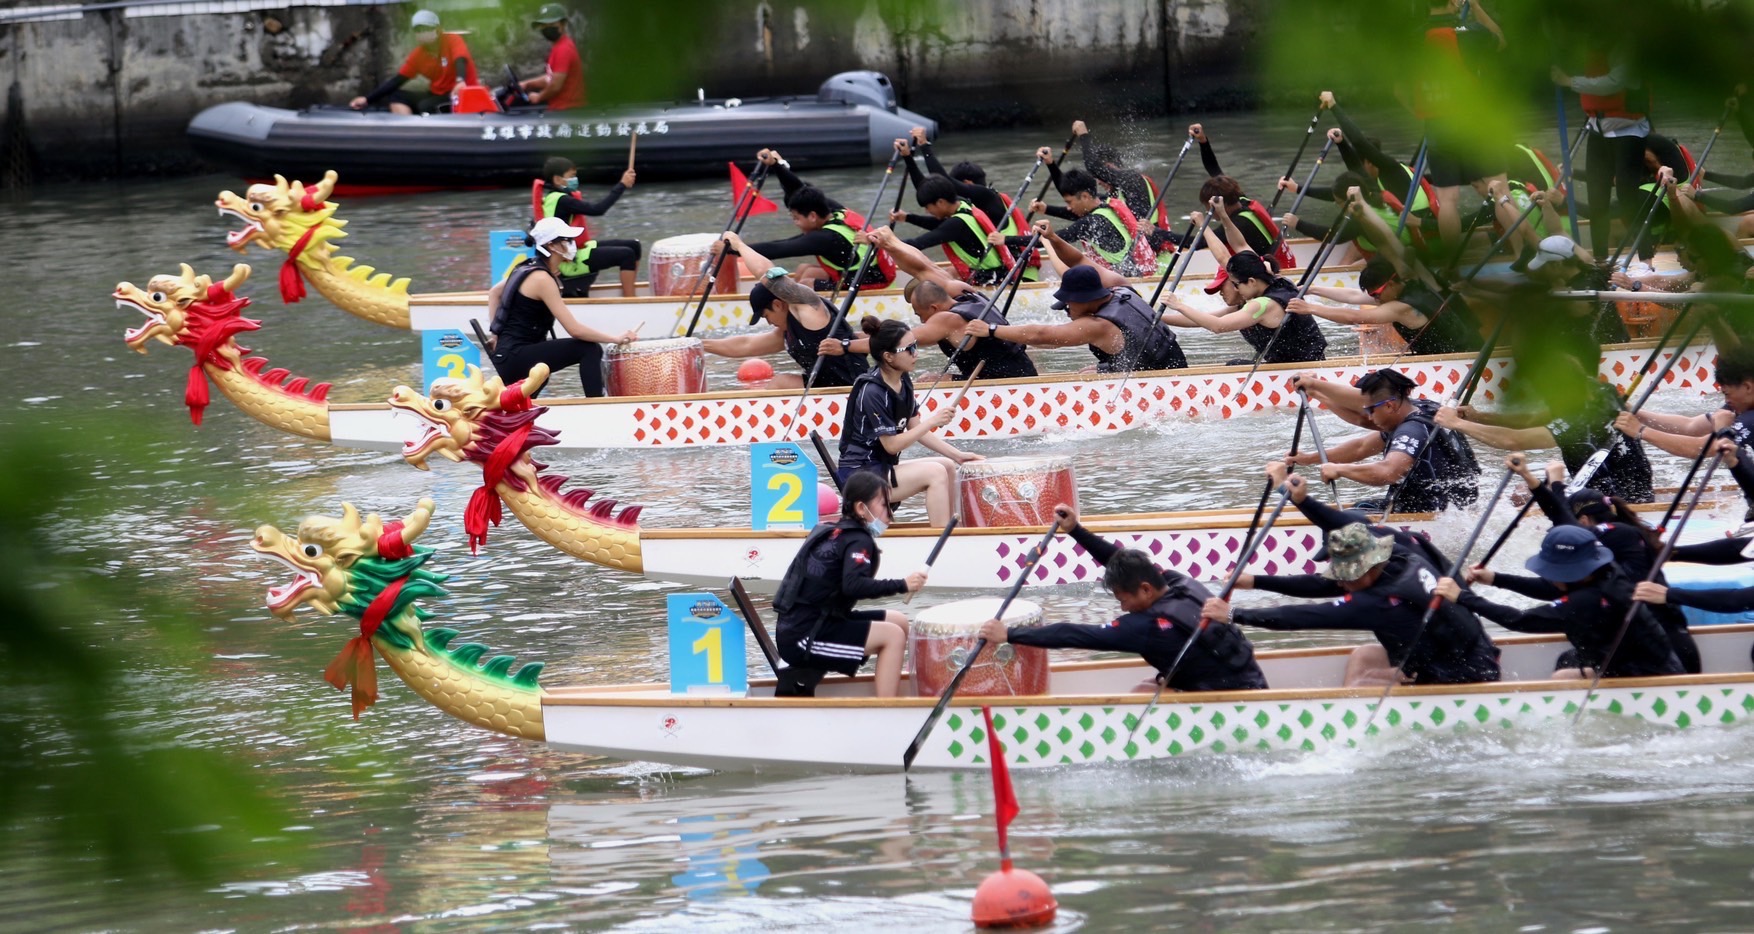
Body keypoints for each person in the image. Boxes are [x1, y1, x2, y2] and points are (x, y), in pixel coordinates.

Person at [978, 503, 1268, 693]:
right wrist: (1076, 531)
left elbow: (1075, 634)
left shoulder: (1146, 627)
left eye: (1122, 598)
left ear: (1145, 590)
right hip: (1250, 682)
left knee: (1139, 695)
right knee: (1145, 687)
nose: (1122, 606)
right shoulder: (1182, 582)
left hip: (1228, 698)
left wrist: (1010, 634)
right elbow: (1123, 561)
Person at [1201, 522, 1500, 687]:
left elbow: (1302, 617)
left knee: (1362, 685)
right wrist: (1255, 580)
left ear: (1367, 568)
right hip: (1476, 650)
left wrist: (1232, 614)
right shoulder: (1398, 558)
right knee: (1363, 657)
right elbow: (1323, 585)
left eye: (1345, 577)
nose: (1340, 583)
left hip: (1461, 675)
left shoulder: (1381, 602)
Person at [1513, 456, 1698, 672]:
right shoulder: (1621, 543)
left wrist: (1547, 483)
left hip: (1663, 653)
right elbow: (1562, 520)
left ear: (1583, 521)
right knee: (1569, 659)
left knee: (1567, 663)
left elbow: (1562, 520)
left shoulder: (1616, 535)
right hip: (1666, 644)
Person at [1435, 524, 1684, 679]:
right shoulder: (1609, 573)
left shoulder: (1586, 600)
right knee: (1566, 662)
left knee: (1562, 678)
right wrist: (1496, 578)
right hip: (1646, 661)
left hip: (1646, 675)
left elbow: (1521, 620)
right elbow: (1551, 591)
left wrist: (1463, 597)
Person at [770, 471, 922, 698]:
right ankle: (888, 709)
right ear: (862, 509)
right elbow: (854, 586)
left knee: (898, 621)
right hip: (803, 639)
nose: (890, 514)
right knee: (893, 636)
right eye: (884, 505)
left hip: (815, 622)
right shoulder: (858, 540)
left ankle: (901, 687)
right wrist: (902, 584)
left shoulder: (836, 532)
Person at [815, 227, 1036, 381]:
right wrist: (891, 245)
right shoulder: (961, 291)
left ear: (933, 308)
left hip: (1007, 382)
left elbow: (896, 342)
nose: (920, 320)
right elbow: (922, 267)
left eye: (920, 315)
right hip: (1019, 368)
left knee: (925, 380)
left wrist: (844, 347)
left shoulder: (947, 319)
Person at [1435, 352, 1654, 504]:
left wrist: (1456, 423)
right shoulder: (1601, 390)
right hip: (1634, 487)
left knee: (1522, 495)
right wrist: (1479, 417)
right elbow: (1532, 420)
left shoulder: (1575, 421)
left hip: (1614, 502)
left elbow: (1513, 441)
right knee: (1526, 493)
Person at [837, 318, 981, 527]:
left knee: (948, 465)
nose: (916, 353)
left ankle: (953, 529)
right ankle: (941, 537)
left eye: (916, 345)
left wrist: (958, 455)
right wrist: (932, 421)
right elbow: (892, 444)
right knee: (935, 472)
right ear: (888, 357)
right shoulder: (873, 391)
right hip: (859, 474)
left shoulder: (902, 379)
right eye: (909, 349)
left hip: (880, 467)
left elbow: (915, 427)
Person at [1285, 367, 1480, 513]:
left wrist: (1340, 470)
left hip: (1432, 513)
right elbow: (1361, 447)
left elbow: (1389, 472)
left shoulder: (1411, 430)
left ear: (1388, 406)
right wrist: (1310, 458)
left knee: (1350, 517)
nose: (1368, 417)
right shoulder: (1423, 409)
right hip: (1455, 505)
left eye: (1370, 410)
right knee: (1361, 506)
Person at [484, 217, 640, 397]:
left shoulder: (526, 267)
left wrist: (495, 334)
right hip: (516, 357)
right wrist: (615, 338)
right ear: (551, 245)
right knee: (589, 348)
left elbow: (494, 292)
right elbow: (575, 330)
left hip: (509, 355)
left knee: (553, 362)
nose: (572, 245)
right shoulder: (542, 279)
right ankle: (597, 406)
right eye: (567, 240)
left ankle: (530, 408)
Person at [958, 261, 1186, 375]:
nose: (1066, 310)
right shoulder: (1122, 291)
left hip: (1159, 382)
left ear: (1084, 298)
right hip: (1173, 368)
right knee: (1094, 371)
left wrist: (991, 330)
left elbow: (1043, 334)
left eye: (1067, 304)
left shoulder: (1097, 325)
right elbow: (1050, 342)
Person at [700, 249, 866, 389]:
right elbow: (745, 345)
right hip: (826, 387)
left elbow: (769, 275)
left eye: (766, 316)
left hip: (854, 388)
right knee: (781, 382)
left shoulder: (811, 312)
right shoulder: (786, 332)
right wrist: (699, 344)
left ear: (778, 305)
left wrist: (738, 244)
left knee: (781, 382)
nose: (768, 322)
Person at [735, 148, 894, 291]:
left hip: (873, 281)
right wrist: (776, 166)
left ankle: (799, 318)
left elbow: (779, 248)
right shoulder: (835, 211)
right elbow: (799, 190)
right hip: (866, 272)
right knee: (805, 269)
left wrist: (736, 248)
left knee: (807, 284)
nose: (795, 223)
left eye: (796, 218)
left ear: (812, 216)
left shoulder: (825, 238)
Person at [1552, 41, 1651, 258]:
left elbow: (1613, 83)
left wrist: (1569, 81)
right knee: (1597, 199)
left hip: (1629, 130)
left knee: (1627, 197)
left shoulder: (1625, 45)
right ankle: (1599, 259)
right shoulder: (1589, 45)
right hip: (1597, 129)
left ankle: (1646, 257)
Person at [1290, 254, 1482, 358]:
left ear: (1390, 283)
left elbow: (1354, 317)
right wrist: (1314, 290)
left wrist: (1311, 309)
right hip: (1461, 351)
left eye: (1376, 294)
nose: (1376, 299)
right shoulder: (1414, 286)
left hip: (1458, 360)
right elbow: (1354, 296)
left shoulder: (1401, 307)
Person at [1158, 249, 1327, 366]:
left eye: (1236, 284)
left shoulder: (1263, 305)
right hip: (1293, 365)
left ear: (1252, 281)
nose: (1236, 289)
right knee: (1234, 364)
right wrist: (1157, 318)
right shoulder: (1275, 285)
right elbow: (1206, 319)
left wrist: (1179, 305)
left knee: (1233, 365)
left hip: (1304, 369)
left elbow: (1219, 326)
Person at [532, 156, 640, 297]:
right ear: (558, 179)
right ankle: (630, 299)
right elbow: (598, 209)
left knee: (634, 245)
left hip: (573, 249)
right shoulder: (562, 200)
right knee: (627, 254)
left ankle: (629, 290)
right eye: (571, 176)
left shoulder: (550, 198)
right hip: (568, 261)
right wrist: (622, 185)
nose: (575, 180)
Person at [1189, 124, 1293, 265]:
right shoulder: (1241, 200)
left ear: (1222, 203)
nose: (1208, 211)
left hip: (1278, 275)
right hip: (1281, 263)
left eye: (1209, 206)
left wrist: (1157, 232)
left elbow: (1196, 243)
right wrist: (1203, 141)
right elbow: (1213, 169)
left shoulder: (1239, 223)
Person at [887, 172, 1011, 285]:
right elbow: (940, 226)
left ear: (940, 202)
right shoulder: (964, 205)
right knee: (949, 272)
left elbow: (918, 243)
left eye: (927, 207)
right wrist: (907, 217)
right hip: (1000, 273)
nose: (927, 211)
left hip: (991, 280)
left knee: (933, 280)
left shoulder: (956, 224)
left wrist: (886, 242)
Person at [349, 10, 475, 115]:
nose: (422, 33)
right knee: (397, 96)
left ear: (438, 29)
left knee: (426, 105)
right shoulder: (418, 55)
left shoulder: (452, 40)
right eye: (418, 30)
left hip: (461, 93)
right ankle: (407, 132)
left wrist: (460, 81)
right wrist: (367, 99)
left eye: (426, 28)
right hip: (437, 94)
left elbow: (460, 59)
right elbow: (397, 80)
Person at [1014, 168, 1137, 272]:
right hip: (1135, 269)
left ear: (1085, 196)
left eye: (1069, 202)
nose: (1068, 207)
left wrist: (1003, 239)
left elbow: (1048, 239)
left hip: (1126, 280)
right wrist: (1047, 209)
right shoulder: (1105, 202)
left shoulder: (1091, 223)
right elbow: (1074, 213)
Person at [521, 4, 587, 111]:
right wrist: (528, 84)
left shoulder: (563, 49)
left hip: (566, 110)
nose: (547, 29)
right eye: (543, 26)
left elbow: (555, 85)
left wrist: (539, 97)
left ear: (563, 24)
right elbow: (550, 78)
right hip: (559, 109)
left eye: (551, 24)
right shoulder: (558, 46)